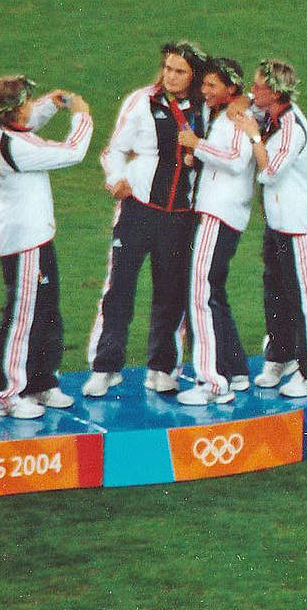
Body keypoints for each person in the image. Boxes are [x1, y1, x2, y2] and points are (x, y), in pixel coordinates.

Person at [85, 41, 208, 397]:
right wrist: (115, 179)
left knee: (171, 292)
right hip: (138, 210)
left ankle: (163, 367)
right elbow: (114, 149)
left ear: (193, 76)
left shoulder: (204, 109)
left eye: (180, 71)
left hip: (181, 217)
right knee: (119, 288)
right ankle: (105, 367)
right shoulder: (141, 101)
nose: (170, 76)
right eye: (168, 68)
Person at [0, 76, 93, 419]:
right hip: (24, 241)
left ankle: (42, 383)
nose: (32, 107)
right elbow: (72, 152)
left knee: (46, 310)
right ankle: (9, 393)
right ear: (15, 109)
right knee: (23, 315)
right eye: (28, 102)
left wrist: (49, 104)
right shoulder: (15, 148)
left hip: (35, 236)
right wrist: (81, 116)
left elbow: (26, 123)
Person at [237, 59, 307, 398]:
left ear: (276, 92)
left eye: (259, 85)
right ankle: (280, 357)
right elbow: (244, 105)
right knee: (274, 292)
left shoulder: (293, 127)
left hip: (298, 225)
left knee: (305, 299)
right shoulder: (272, 115)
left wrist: (252, 137)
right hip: (277, 223)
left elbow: (271, 170)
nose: (253, 90)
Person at [175, 57, 254, 405]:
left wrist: (197, 145)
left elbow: (236, 160)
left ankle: (211, 383)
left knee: (201, 293)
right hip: (223, 214)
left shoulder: (237, 116)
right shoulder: (230, 111)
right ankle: (234, 369)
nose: (204, 91)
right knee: (214, 292)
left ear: (230, 88)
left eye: (211, 85)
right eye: (203, 84)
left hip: (217, 215)